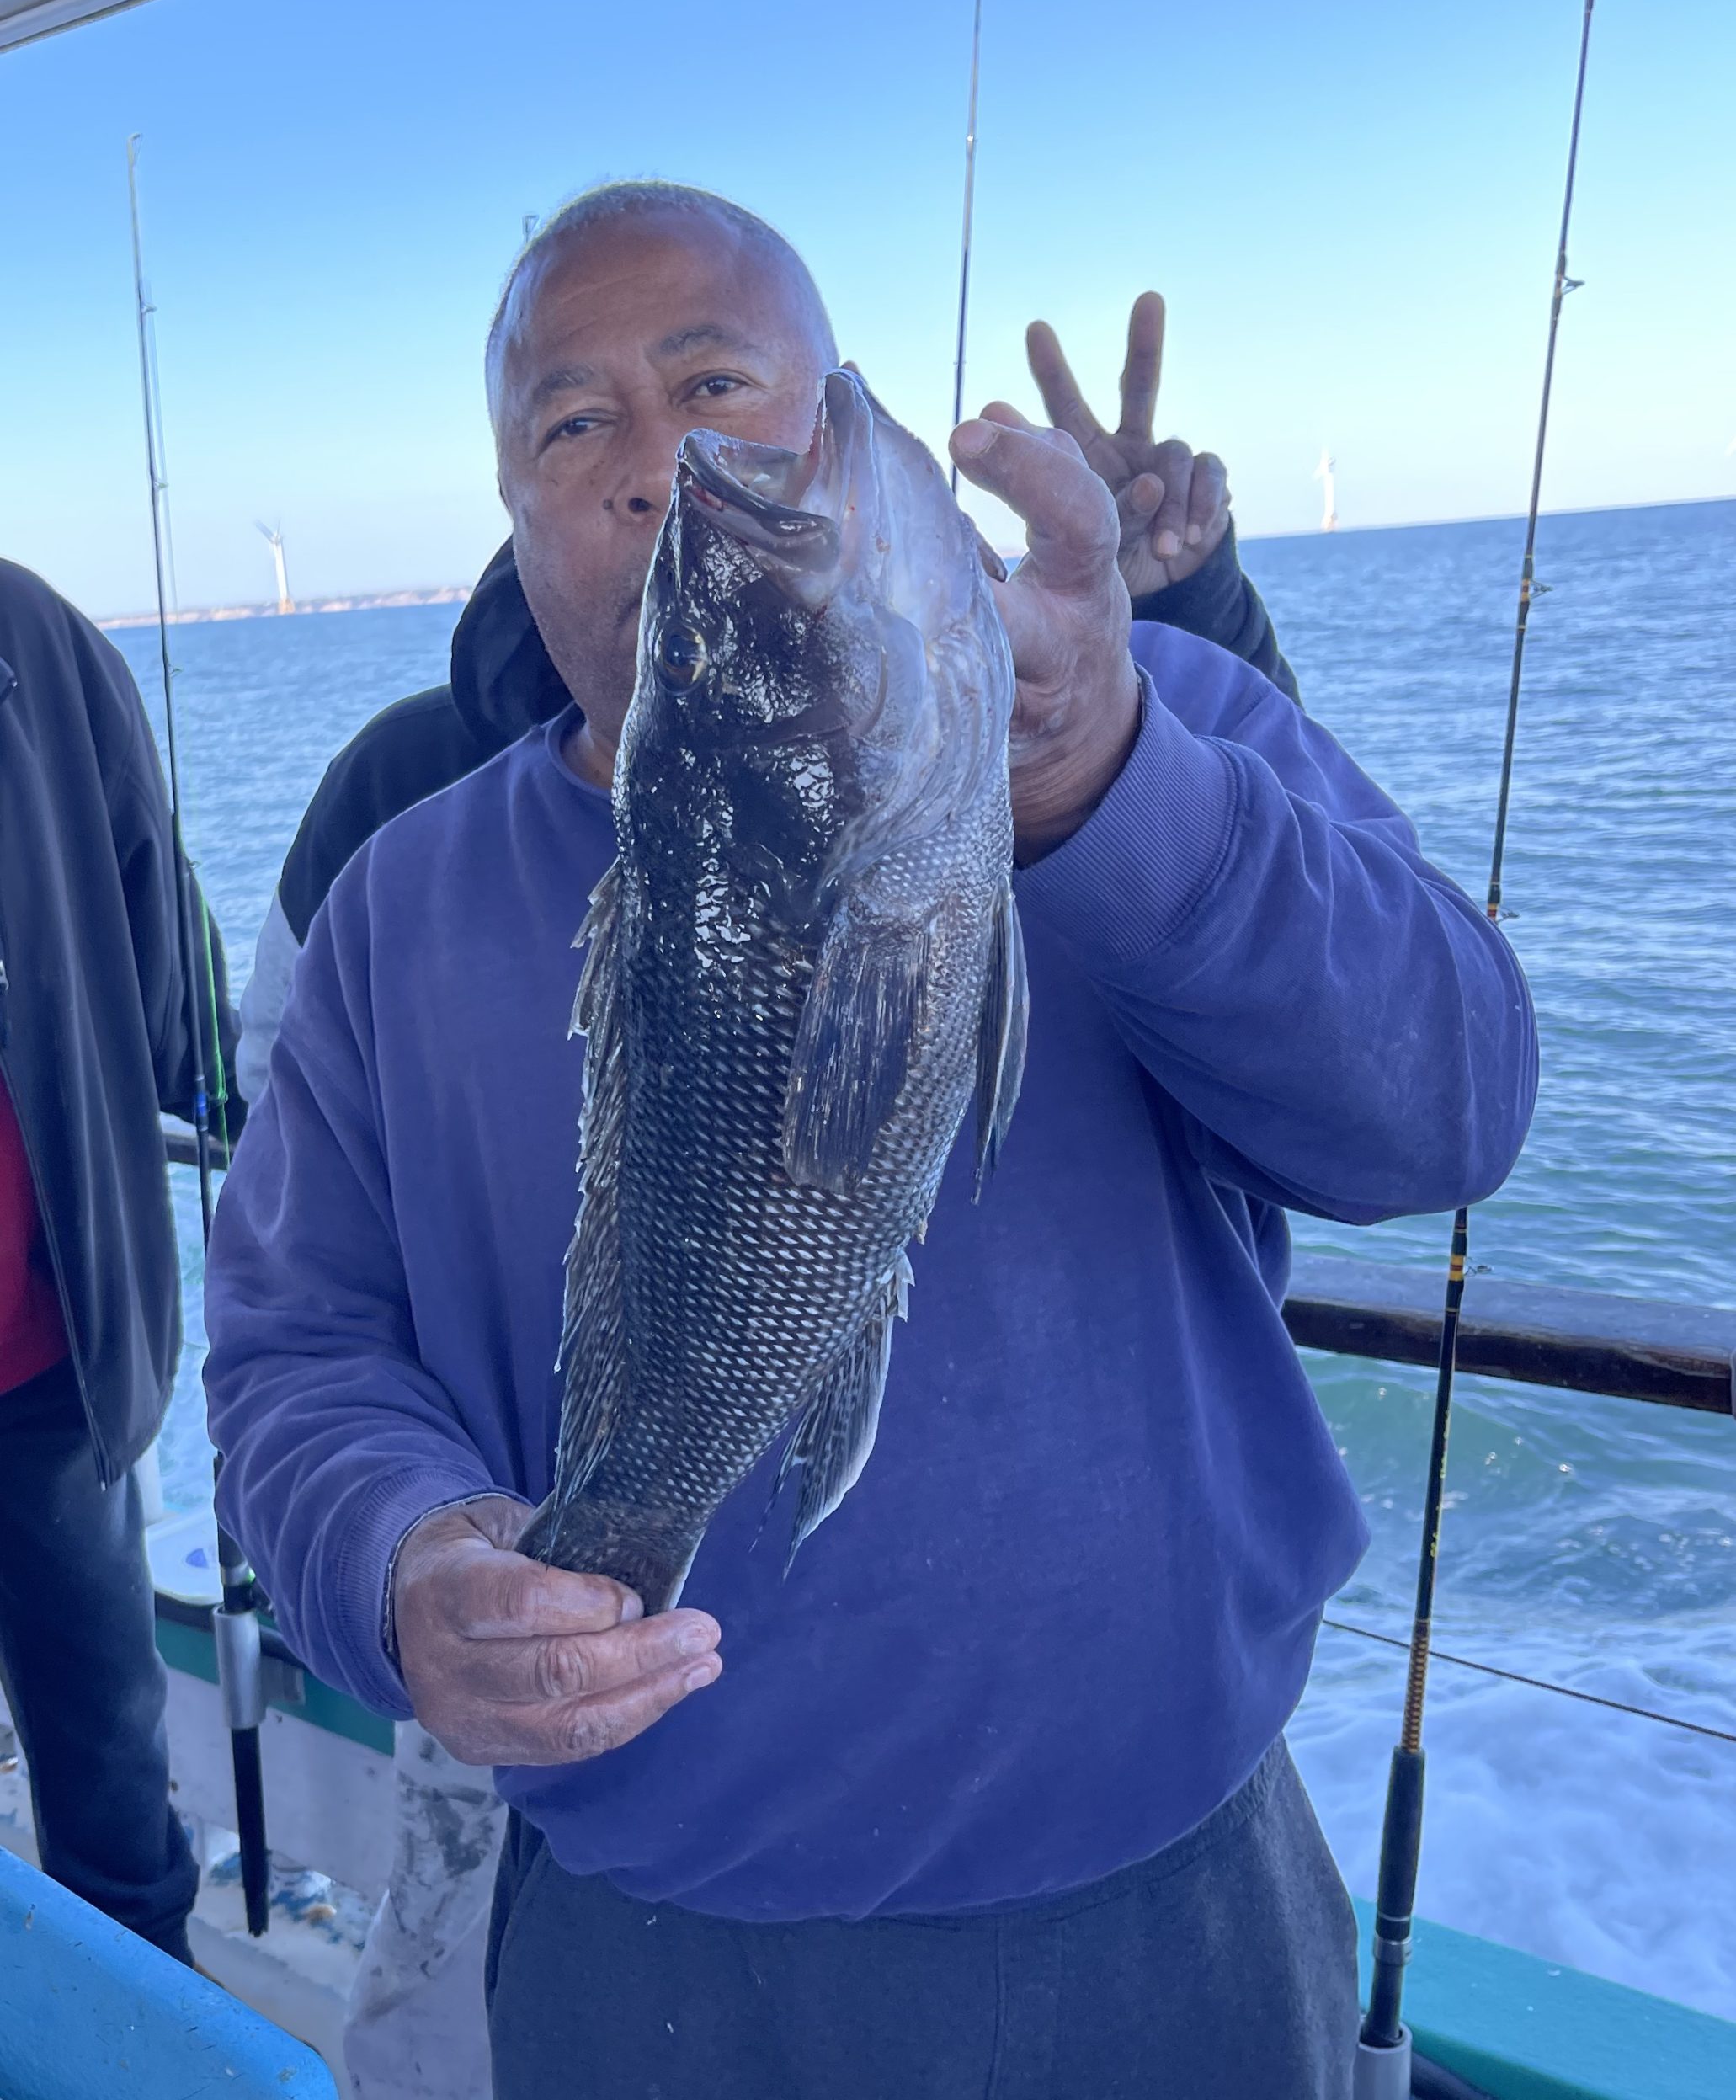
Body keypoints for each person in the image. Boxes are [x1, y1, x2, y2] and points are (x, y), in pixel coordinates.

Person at [205, 182, 1536, 2099]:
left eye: (718, 384)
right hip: (634, 1943)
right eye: (572, 425)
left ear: (864, 415)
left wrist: (1105, 785)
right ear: (508, 513)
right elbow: (294, 1353)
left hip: (1172, 1914)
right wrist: (398, 1563)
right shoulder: (396, 907)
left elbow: (1451, 1102)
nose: (660, 468)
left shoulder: (1169, 725)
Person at [0, 560, 238, 1966]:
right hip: (57, 1355)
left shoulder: (33, 636)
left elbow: (156, 917)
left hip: (51, 1365)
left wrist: (216, 1078)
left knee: (112, 1806)